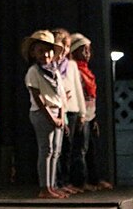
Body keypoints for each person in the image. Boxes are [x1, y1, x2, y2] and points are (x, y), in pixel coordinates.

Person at [22, 30, 68, 199]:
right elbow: (38, 97)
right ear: (33, 53)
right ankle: (44, 187)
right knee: (46, 150)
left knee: (56, 150)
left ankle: (53, 184)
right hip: (42, 113)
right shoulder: (34, 71)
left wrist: (61, 116)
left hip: (56, 112)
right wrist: (51, 118)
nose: (45, 54)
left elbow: (61, 97)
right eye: (40, 51)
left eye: (48, 51)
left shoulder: (54, 71)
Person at [67, 33, 113, 191]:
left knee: (91, 149)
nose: (87, 53)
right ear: (73, 52)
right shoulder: (74, 70)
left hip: (89, 114)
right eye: (83, 50)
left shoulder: (86, 71)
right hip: (81, 114)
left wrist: (94, 119)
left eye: (88, 50)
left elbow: (91, 96)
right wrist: (82, 115)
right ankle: (79, 182)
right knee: (79, 149)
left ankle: (94, 179)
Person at [51, 28, 85, 196]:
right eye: (61, 45)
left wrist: (82, 113)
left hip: (71, 110)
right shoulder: (50, 65)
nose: (64, 49)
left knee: (68, 149)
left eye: (67, 46)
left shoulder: (70, 65)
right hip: (55, 111)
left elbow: (78, 90)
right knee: (55, 149)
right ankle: (55, 182)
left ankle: (65, 181)